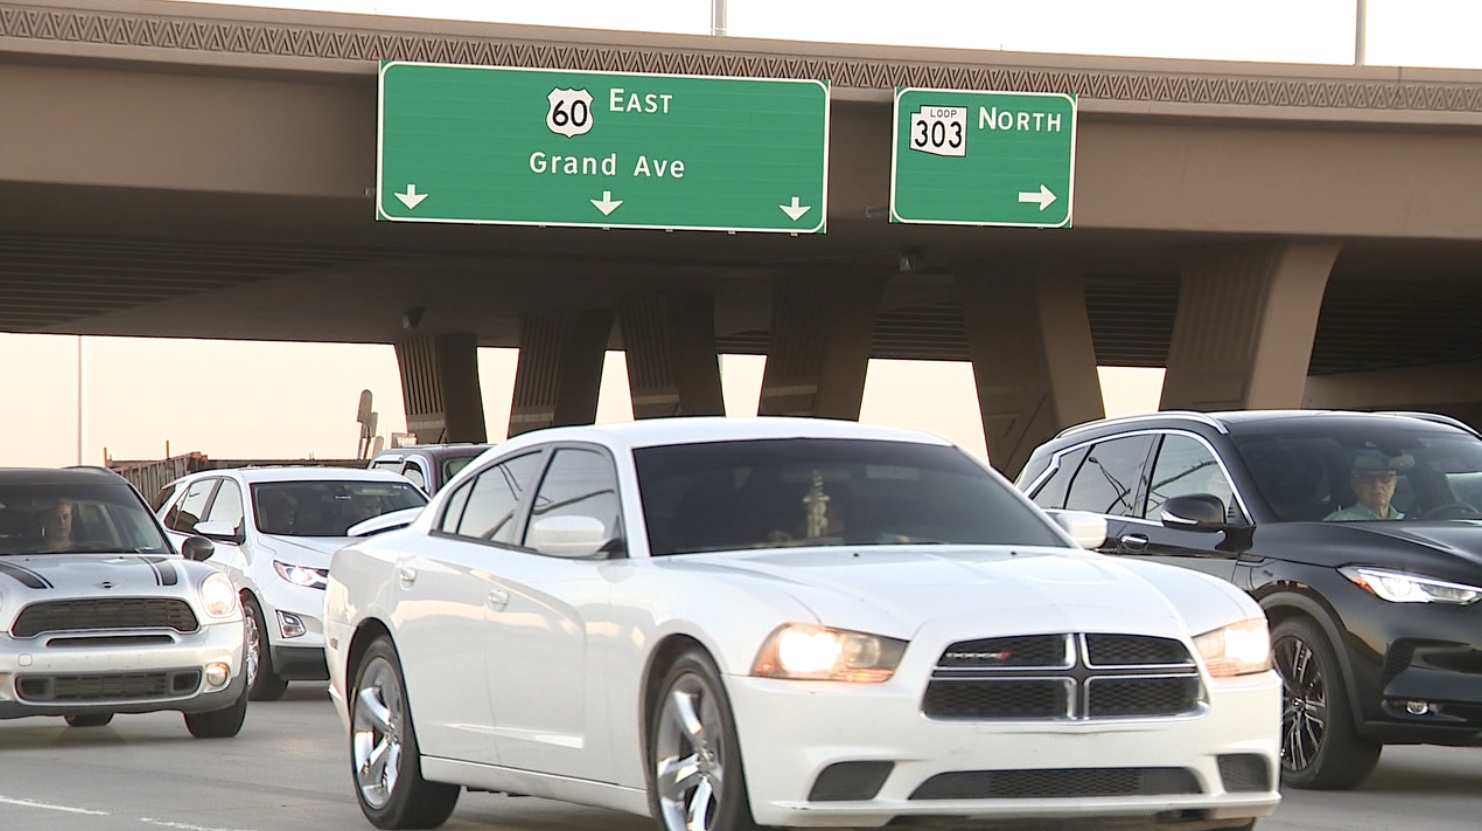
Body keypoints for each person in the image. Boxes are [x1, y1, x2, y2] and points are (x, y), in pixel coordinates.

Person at [1325, 453, 1405, 521]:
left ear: (1394, 482)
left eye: (1384, 477)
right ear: (1355, 485)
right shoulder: (1338, 522)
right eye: (1368, 478)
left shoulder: (1408, 521)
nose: (1377, 484)